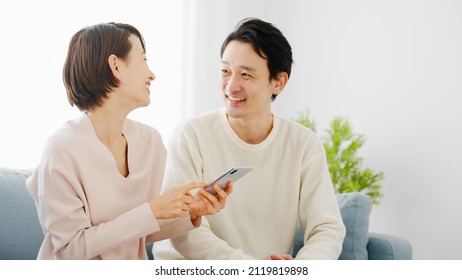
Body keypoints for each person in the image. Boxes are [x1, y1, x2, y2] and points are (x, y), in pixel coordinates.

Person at [26, 22, 232, 260]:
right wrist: (152, 211)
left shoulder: (150, 141)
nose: (152, 74)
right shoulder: (61, 149)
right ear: (116, 66)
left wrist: (191, 211)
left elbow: (140, 231)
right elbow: (71, 249)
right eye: (144, 60)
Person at [153, 18, 345, 260]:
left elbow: (327, 229)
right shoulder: (191, 135)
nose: (231, 86)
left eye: (245, 75)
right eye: (225, 71)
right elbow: (183, 231)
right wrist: (248, 268)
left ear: (278, 82)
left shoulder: (303, 144)